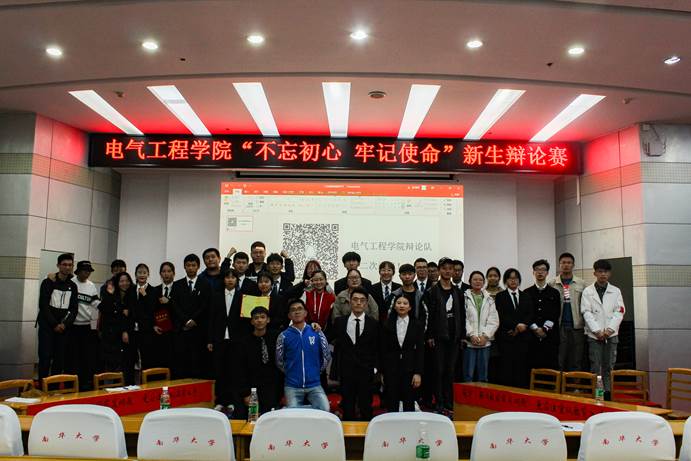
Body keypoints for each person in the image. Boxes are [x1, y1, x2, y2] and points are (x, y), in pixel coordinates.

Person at [422, 257, 465, 415]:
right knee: (438, 370)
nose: (447, 271)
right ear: (439, 271)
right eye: (444, 268)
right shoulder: (432, 292)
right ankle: (439, 402)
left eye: (450, 269)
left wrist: (462, 336)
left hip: (454, 337)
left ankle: (448, 402)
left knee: (450, 371)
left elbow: (463, 315)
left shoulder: (458, 292)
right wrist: (429, 335)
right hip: (438, 338)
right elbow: (428, 316)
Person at [329, 287, 380, 421]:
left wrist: (375, 368)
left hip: (366, 370)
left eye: (362, 300)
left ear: (366, 303)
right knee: (347, 404)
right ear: (350, 301)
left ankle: (367, 430)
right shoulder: (340, 322)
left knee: (366, 405)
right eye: (355, 299)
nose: (358, 303)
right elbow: (329, 338)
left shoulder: (373, 324)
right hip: (346, 369)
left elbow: (377, 347)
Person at [276, 299, 331, 411]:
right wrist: (291, 372)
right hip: (292, 385)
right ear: (289, 315)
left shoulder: (316, 332)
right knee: (293, 414)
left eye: (300, 309)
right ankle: (294, 410)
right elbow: (279, 360)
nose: (297, 312)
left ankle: (298, 410)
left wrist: (316, 371)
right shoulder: (283, 336)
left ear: (305, 313)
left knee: (325, 409)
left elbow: (326, 355)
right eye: (293, 310)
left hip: (314, 384)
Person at [581, 259, 625, 398]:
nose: (603, 274)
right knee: (595, 366)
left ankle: (608, 394)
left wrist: (609, 330)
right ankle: (598, 395)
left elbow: (620, 311)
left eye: (605, 272)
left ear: (609, 274)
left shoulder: (615, 291)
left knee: (609, 366)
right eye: (600, 271)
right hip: (594, 336)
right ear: (594, 273)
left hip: (611, 335)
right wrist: (597, 331)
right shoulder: (588, 291)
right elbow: (586, 312)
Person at [207, 268, 244, 414]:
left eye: (233, 277)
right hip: (219, 338)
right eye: (227, 277)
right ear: (223, 280)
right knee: (220, 371)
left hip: (236, 339)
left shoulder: (242, 296)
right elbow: (211, 319)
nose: (230, 280)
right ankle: (221, 401)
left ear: (236, 280)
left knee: (234, 371)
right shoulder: (216, 296)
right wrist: (210, 339)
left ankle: (233, 401)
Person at [37, 253, 79, 382]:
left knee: (59, 359)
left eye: (70, 265)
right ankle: (43, 387)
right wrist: (54, 324)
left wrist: (64, 324)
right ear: (58, 265)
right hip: (47, 327)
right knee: (45, 357)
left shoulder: (73, 286)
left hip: (63, 328)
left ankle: (54, 388)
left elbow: (74, 309)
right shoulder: (48, 282)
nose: (67, 267)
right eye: (64, 264)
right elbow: (43, 305)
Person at [381, 295, 424, 412]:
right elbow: (383, 349)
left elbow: (420, 350)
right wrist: (383, 371)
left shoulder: (417, 325)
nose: (401, 305)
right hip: (391, 369)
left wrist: (418, 373)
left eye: (405, 303)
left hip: (410, 368)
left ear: (410, 307)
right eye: (399, 303)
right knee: (392, 401)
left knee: (409, 402)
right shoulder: (387, 324)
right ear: (394, 306)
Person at [171, 254, 212, 378]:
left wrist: (194, 319)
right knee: (181, 363)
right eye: (188, 265)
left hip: (199, 329)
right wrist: (186, 321)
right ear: (184, 267)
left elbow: (206, 305)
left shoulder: (205, 284)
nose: (190, 268)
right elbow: (174, 306)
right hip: (182, 330)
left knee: (197, 362)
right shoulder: (177, 285)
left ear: (198, 267)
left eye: (193, 265)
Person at [237, 306, 282, 416]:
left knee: (270, 419)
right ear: (252, 321)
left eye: (262, 317)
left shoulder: (277, 337)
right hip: (252, 389)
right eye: (256, 318)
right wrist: (245, 393)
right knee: (253, 419)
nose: (259, 320)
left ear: (268, 320)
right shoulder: (244, 342)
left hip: (272, 388)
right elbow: (240, 369)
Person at [495, 268, 534, 388]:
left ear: (519, 280)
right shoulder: (500, 296)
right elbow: (501, 315)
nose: (513, 281)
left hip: (523, 338)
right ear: (505, 281)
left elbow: (530, 314)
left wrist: (523, 325)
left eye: (515, 278)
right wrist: (516, 325)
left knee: (522, 368)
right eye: (510, 278)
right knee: (507, 368)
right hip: (507, 337)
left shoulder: (526, 296)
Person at [549, 252, 587, 371]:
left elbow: (586, 306)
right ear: (559, 265)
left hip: (577, 327)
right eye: (563, 263)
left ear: (573, 265)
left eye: (569, 263)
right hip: (559, 327)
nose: (566, 265)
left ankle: (575, 382)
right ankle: (560, 382)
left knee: (576, 359)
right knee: (559, 359)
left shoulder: (581, 283)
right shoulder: (552, 284)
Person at [99, 271, 136, 383]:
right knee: (112, 363)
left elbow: (132, 316)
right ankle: (111, 387)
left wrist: (125, 330)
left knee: (127, 363)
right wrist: (110, 295)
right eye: (121, 281)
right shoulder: (112, 294)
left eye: (127, 281)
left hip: (129, 334)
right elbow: (103, 309)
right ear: (117, 283)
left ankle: (127, 385)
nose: (125, 283)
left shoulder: (133, 294)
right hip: (112, 335)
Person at [525, 259, 561, 370]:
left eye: (543, 270)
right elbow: (526, 313)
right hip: (532, 335)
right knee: (533, 364)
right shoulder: (526, 293)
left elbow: (555, 313)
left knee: (550, 364)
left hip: (550, 335)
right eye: (537, 269)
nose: (540, 272)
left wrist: (544, 329)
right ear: (533, 272)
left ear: (547, 272)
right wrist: (536, 329)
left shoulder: (554, 293)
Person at [463, 271, 499, 383]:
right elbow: (463, 318)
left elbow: (493, 320)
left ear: (484, 282)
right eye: (475, 279)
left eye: (480, 280)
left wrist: (485, 336)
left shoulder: (489, 299)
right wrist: (471, 335)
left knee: (483, 376)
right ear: (470, 281)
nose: (478, 282)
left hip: (485, 343)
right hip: (469, 343)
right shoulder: (464, 297)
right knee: (468, 375)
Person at [150, 262, 176, 369]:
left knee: (174, 363)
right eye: (164, 271)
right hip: (159, 332)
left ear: (174, 273)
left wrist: (169, 302)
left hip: (175, 332)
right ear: (160, 274)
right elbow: (150, 311)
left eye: (169, 271)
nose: (166, 274)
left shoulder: (179, 288)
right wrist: (153, 325)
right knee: (159, 362)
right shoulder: (154, 290)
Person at [133, 263, 157, 370]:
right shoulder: (131, 289)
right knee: (132, 359)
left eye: (144, 272)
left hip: (147, 330)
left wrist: (145, 295)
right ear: (135, 275)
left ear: (148, 274)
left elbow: (152, 309)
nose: (142, 275)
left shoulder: (153, 290)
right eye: (139, 272)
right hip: (132, 330)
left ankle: (145, 380)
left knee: (147, 359)